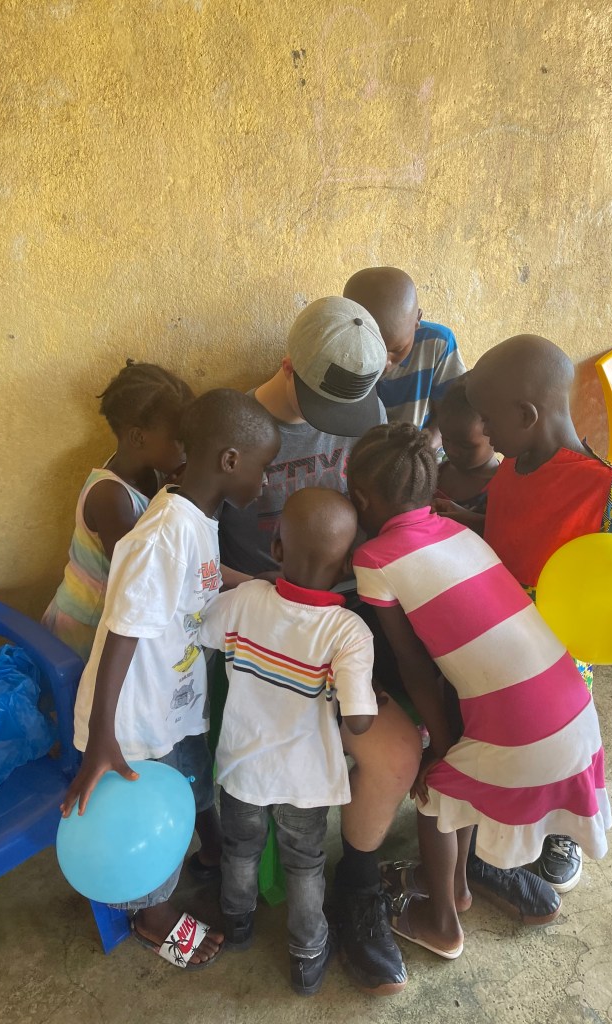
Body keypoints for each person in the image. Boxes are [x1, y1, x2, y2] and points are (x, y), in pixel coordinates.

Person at [348, 422, 610, 959]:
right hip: (575, 710)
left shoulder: (374, 559)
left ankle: (441, 922)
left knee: (433, 795)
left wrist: (441, 745)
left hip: (528, 737)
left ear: (360, 499)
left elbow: (413, 664)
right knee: (458, 787)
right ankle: (460, 887)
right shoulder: (458, 530)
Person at [218, 296, 420, 995]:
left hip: (349, 619)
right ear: (288, 365)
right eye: (327, 408)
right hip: (267, 623)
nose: (341, 426)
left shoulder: (368, 411)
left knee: (401, 751)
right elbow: (200, 559)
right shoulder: (236, 430)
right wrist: (271, 602)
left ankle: (357, 883)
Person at [465, 334, 612, 893]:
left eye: (488, 418)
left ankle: (564, 830)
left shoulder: (602, 487)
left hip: (564, 654)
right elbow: (508, 533)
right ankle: (509, 813)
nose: (484, 432)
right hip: (503, 635)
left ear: (526, 415)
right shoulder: (511, 467)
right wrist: (458, 517)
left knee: (566, 747)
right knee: (509, 737)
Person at [60, 389, 281, 971]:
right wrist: (103, 737)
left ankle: (210, 851)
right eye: (263, 467)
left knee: (192, 776)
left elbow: (201, 576)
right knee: (150, 807)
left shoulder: (195, 514)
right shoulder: (162, 533)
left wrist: (262, 585)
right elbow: (121, 634)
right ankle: (151, 914)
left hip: (174, 697)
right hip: (134, 714)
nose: (265, 481)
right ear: (230, 460)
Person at [199, 488, 378, 996]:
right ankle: (306, 953)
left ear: (277, 549)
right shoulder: (349, 632)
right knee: (304, 864)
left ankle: (237, 922)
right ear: (347, 563)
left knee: (240, 850)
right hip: (305, 781)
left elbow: (202, 632)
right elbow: (360, 720)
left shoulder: (245, 602)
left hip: (241, 770)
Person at [43, 361, 193, 662]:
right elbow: (138, 571)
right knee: (81, 691)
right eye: (181, 439)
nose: (189, 447)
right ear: (138, 438)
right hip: (85, 626)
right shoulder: (110, 496)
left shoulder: (155, 471)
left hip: (116, 621)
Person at [343, 266, 465, 446]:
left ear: (417, 321)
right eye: (375, 351)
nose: (384, 364)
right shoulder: (340, 351)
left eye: (396, 350)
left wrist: (421, 449)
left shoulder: (437, 344)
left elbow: (451, 415)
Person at [433, 375, 499, 533]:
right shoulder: (436, 471)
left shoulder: (500, 490)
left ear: (498, 435)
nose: (452, 451)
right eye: (446, 439)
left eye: (465, 446)